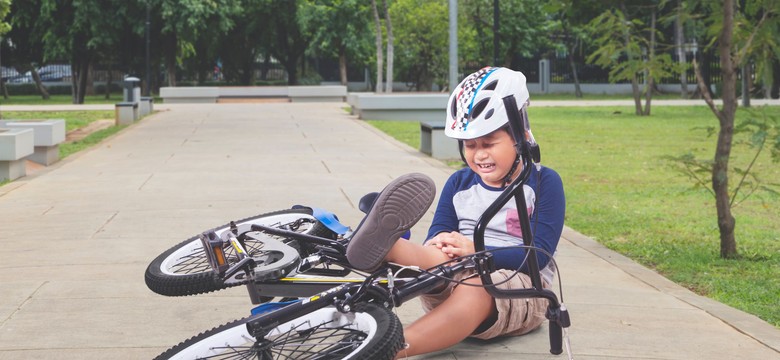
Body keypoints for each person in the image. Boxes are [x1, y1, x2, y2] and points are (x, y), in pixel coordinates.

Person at [346, 67, 566, 358]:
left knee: (478, 282)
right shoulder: (459, 183)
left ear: (522, 137)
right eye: (470, 146)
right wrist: (442, 244)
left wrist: (475, 250)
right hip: (453, 274)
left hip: (520, 288)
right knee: (435, 250)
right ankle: (387, 245)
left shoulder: (544, 182)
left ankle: (389, 348)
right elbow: (439, 231)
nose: (479, 154)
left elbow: (538, 255)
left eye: (489, 144)